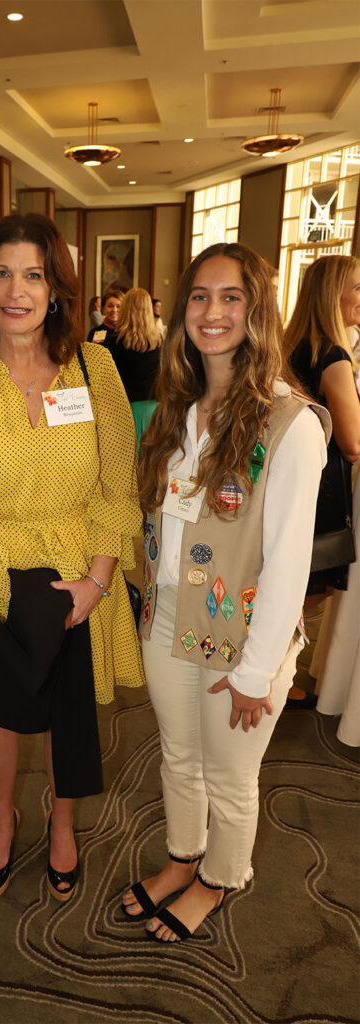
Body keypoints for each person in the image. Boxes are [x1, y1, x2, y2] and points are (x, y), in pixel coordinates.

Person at [0, 213, 143, 903]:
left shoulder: (95, 367)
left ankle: (62, 824)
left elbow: (118, 486)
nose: (14, 290)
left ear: (55, 289)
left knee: (67, 707)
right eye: (0, 273)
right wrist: (13, 594)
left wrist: (95, 583)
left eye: (33, 274)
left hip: (79, 572)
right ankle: (1, 818)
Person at [120, 242, 328, 942]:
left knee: (229, 773)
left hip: (243, 631)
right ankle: (183, 857)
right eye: (199, 298)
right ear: (181, 312)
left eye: (230, 297)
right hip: (170, 613)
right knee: (177, 754)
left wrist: (254, 670)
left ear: (256, 310)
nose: (211, 312)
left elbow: (288, 564)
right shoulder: (176, 406)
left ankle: (220, 875)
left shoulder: (290, 423)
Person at [284, 255, 360, 708]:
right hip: (323, 484)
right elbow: (352, 442)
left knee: (293, 584)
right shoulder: (331, 354)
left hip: (299, 478)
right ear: (335, 294)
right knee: (305, 592)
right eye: (357, 287)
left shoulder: (291, 345)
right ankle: (278, 671)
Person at [105, 288, 162, 450]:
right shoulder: (158, 341)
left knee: (125, 466)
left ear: (125, 309)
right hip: (153, 409)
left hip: (122, 410)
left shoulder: (113, 342)